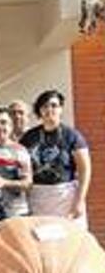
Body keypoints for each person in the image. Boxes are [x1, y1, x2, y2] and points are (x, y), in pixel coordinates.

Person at [19, 89, 91, 229]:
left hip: (65, 196)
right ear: (39, 110)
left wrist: (79, 201)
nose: (49, 109)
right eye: (45, 106)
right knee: (42, 242)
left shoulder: (72, 136)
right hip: (38, 197)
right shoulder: (29, 137)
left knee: (70, 241)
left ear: (61, 109)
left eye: (54, 105)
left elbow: (85, 170)